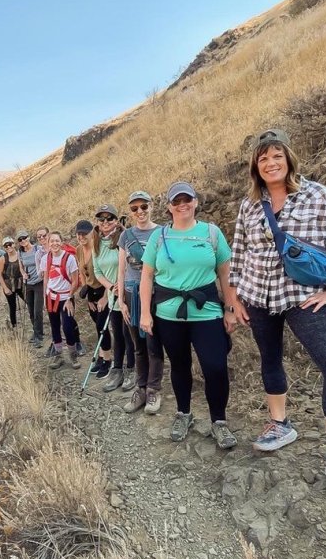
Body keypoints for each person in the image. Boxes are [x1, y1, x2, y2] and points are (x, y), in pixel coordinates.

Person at [226, 128, 326, 499]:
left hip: (302, 297)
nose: (270, 162)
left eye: (277, 155)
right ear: (255, 167)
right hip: (259, 297)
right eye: (263, 158)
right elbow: (240, 251)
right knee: (270, 358)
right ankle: (280, 424)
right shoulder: (250, 205)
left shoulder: (318, 195)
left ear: (289, 159)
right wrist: (236, 298)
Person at [140, 181, 237, 448]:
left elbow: (226, 274)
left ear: (195, 202)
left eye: (187, 199)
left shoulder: (211, 233)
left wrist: (230, 309)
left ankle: (219, 421)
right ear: (169, 207)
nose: (182, 205)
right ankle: (184, 413)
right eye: (176, 201)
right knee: (180, 365)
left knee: (216, 367)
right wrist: (145, 313)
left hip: (206, 313)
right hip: (168, 315)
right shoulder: (159, 237)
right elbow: (147, 276)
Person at [117, 191, 165, 414]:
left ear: (151, 206)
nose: (140, 212)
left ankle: (154, 389)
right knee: (137, 346)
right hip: (130, 293)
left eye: (143, 206)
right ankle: (141, 388)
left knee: (154, 345)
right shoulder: (126, 236)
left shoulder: (163, 232)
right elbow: (121, 269)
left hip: (156, 294)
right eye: (134, 209)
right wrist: (121, 300)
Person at [92, 204, 136, 392]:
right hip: (113, 295)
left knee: (130, 335)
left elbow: (134, 264)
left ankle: (133, 370)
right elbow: (97, 271)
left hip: (128, 294)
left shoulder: (125, 238)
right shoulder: (96, 243)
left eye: (109, 218)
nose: (105, 222)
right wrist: (111, 286)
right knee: (118, 334)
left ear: (116, 221)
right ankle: (117, 370)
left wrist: (123, 283)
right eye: (101, 219)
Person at [74, 219, 112, 377]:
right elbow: (83, 273)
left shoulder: (99, 248)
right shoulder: (79, 250)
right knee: (98, 325)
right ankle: (102, 356)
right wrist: (89, 297)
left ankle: (108, 361)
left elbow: (107, 273)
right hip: (92, 291)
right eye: (79, 234)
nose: (82, 236)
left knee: (102, 327)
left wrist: (105, 297)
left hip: (105, 289)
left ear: (92, 233)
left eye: (85, 233)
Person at [43, 231, 82, 370]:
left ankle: (73, 354)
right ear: (48, 243)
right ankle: (58, 354)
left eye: (57, 241)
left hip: (66, 298)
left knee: (67, 326)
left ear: (61, 242)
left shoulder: (69, 258)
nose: (54, 243)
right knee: (54, 326)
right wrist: (45, 296)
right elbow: (46, 278)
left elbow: (75, 280)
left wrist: (70, 298)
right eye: (52, 241)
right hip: (51, 297)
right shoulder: (46, 258)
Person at [16, 228, 45, 346]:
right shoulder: (20, 252)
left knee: (37, 310)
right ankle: (37, 332)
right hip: (28, 284)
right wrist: (23, 274)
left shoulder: (38, 249)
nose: (23, 241)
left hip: (39, 282)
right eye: (20, 239)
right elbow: (21, 266)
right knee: (31, 310)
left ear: (28, 237)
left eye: (24, 238)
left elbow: (44, 262)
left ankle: (38, 337)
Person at [0, 236, 24, 329]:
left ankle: (35, 322)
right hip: (9, 285)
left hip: (20, 284)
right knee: (12, 306)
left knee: (29, 302)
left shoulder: (21, 254)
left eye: (10, 244)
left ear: (14, 244)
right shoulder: (3, 259)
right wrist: (5, 288)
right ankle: (14, 326)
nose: (8, 247)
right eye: (6, 246)